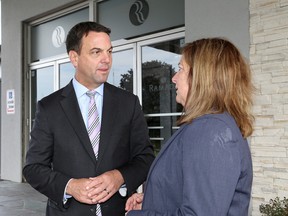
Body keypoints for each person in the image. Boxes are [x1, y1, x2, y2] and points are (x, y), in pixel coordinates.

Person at [23, 21, 155, 216]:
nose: (106, 59)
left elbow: (145, 158)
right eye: (96, 52)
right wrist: (70, 186)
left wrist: (119, 177)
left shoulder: (129, 103)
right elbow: (33, 168)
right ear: (74, 58)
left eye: (109, 51)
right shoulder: (49, 108)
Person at [125, 38, 254, 216]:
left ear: (202, 78)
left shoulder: (211, 131)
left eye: (181, 69)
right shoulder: (211, 126)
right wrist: (153, 200)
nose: (174, 78)